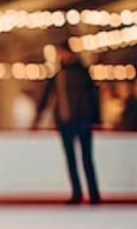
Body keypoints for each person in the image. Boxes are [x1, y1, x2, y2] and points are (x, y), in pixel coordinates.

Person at [33, 44, 101, 205]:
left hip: (82, 121)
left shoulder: (81, 72)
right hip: (66, 122)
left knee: (86, 159)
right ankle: (77, 193)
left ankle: (93, 194)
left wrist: (95, 119)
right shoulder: (58, 74)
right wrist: (37, 118)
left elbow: (93, 96)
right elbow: (47, 97)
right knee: (71, 160)